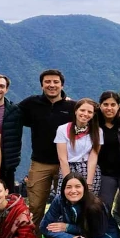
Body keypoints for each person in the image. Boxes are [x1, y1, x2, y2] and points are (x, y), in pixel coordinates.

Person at [17, 69, 76, 228]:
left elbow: (93, 115)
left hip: (65, 162)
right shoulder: (31, 104)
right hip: (39, 162)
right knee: (36, 206)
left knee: (66, 205)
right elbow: (9, 113)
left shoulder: (72, 106)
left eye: (55, 82)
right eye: (47, 82)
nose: (52, 85)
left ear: (62, 85)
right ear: (42, 85)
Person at [54, 98, 103, 197]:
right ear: (76, 110)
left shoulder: (97, 131)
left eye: (90, 112)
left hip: (88, 170)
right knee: (65, 199)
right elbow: (62, 158)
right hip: (68, 169)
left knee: (88, 203)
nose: (85, 114)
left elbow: (93, 157)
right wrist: (68, 180)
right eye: (82, 110)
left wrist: (89, 183)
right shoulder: (62, 129)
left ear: (93, 115)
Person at [97, 91, 120, 207]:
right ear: (100, 105)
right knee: (104, 206)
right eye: (106, 104)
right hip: (105, 173)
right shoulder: (94, 123)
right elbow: (80, 110)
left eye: (113, 105)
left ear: (118, 106)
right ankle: (106, 225)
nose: (109, 108)